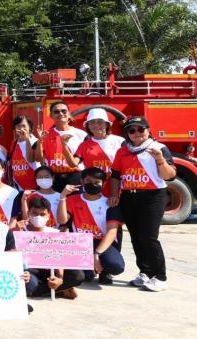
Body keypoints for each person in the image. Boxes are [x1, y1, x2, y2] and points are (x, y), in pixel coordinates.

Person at [109, 116, 176, 292]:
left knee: (149, 237)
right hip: (129, 197)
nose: (137, 133)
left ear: (148, 130)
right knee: (136, 237)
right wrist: (114, 194)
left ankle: (160, 276)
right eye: (132, 130)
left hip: (152, 197)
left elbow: (170, 176)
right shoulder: (123, 151)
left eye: (141, 129)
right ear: (127, 134)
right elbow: (115, 175)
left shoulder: (159, 148)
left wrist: (160, 159)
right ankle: (145, 272)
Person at [57, 169, 126, 285]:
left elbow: (112, 232)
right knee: (82, 276)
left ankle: (104, 271)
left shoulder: (110, 203)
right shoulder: (72, 200)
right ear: (82, 181)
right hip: (81, 243)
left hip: (101, 242)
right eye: (88, 181)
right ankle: (89, 269)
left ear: (104, 184)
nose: (92, 184)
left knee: (116, 266)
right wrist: (63, 197)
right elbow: (62, 220)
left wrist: (97, 254)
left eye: (97, 182)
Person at [20, 196, 84, 299]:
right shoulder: (20, 231)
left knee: (78, 275)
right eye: (34, 213)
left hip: (50, 270)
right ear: (28, 214)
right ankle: (59, 290)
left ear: (48, 216)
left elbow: (60, 258)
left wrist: (60, 279)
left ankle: (49, 289)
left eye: (42, 214)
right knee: (30, 283)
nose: (38, 217)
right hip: (31, 271)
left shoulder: (54, 233)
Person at [65, 108, 123, 195]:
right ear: (88, 126)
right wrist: (64, 145)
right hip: (92, 190)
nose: (96, 125)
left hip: (115, 189)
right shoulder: (84, 145)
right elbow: (73, 164)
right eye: (92, 122)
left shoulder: (120, 142)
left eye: (100, 122)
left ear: (107, 124)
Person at [34, 101, 87, 190]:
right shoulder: (46, 135)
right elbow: (38, 159)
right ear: (51, 115)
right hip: (54, 178)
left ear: (69, 114)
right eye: (56, 112)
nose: (61, 114)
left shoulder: (82, 134)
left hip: (76, 177)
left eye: (64, 111)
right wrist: (40, 141)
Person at [7, 115, 39, 192]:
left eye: (24, 126)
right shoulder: (14, 143)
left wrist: (27, 139)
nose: (21, 129)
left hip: (34, 187)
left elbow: (31, 159)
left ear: (29, 127)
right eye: (18, 126)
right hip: (18, 188)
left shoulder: (35, 141)